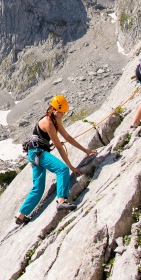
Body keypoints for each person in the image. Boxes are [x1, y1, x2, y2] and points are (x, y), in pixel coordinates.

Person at [15, 95, 97, 225]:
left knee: (38, 188)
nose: (62, 114)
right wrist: (70, 167)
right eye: (60, 112)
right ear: (53, 109)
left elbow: (68, 137)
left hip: (33, 153)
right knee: (62, 169)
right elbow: (59, 146)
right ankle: (61, 201)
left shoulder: (55, 120)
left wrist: (86, 151)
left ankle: (21, 216)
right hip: (38, 152)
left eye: (64, 113)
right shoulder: (48, 122)